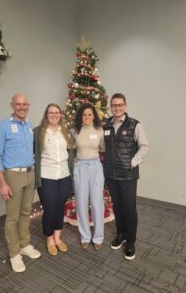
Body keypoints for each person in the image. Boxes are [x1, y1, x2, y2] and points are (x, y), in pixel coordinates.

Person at [0, 93, 41, 273]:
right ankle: (14, 253)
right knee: (12, 217)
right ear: (12, 105)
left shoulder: (28, 125)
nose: (22, 107)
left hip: (30, 174)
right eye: (18, 104)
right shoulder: (2, 127)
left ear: (28, 105)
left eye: (25, 104)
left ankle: (24, 244)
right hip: (12, 176)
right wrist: (2, 183)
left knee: (26, 211)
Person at [103, 93, 149, 260]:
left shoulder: (134, 125)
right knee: (117, 206)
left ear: (125, 106)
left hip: (128, 175)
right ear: (110, 106)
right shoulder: (106, 125)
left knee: (129, 208)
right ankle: (120, 234)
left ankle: (131, 241)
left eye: (120, 105)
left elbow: (144, 146)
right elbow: (103, 147)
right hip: (111, 174)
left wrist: (132, 162)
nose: (117, 108)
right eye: (114, 105)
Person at [34, 104, 73, 256]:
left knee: (60, 206)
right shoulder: (38, 132)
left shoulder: (66, 132)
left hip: (64, 175)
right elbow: (33, 153)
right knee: (50, 208)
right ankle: (49, 239)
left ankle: (58, 237)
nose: (54, 115)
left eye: (57, 112)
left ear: (60, 114)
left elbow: (70, 152)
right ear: (46, 115)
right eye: (51, 112)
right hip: (46, 175)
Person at [73, 103, 105, 250]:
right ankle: (85, 236)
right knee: (81, 202)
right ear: (81, 116)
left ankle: (98, 237)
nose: (87, 117)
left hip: (95, 166)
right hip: (80, 167)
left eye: (90, 114)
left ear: (94, 116)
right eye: (84, 114)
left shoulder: (99, 131)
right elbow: (68, 148)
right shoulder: (74, 131)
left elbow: (103, 148)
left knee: (97, 202)